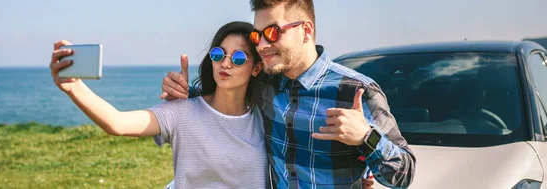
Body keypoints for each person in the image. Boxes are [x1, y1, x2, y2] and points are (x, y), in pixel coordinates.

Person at [160, 0, 416, 188]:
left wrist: (365, 137)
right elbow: (222, 101)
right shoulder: (265, 84)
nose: (261, 44)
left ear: (305, 30)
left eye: (273, 32)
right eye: (257, 35)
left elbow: (404, 174)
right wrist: (184, 92)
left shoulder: (356, 91)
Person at [49, 21, 269, 188]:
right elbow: (117, 123)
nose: (225, 63)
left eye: (238, 57)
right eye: (218, 54)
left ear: (257, 68)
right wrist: (74, 87)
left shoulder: (265, 117)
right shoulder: (184, 111)